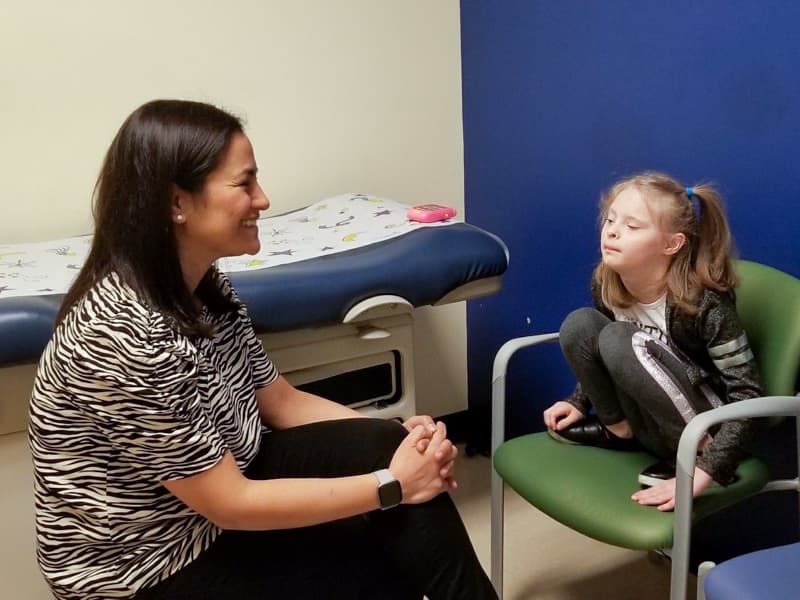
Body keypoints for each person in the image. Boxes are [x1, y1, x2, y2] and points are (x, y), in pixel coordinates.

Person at [28, 99, 497, 600]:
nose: (263, 199)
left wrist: (400, 438)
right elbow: (231, 504)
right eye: (244, 183)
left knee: (390, 453)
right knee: (376, 560)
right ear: (175, 203)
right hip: (146, 566)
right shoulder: (123, 337)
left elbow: (281, 401)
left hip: (218, 493)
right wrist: (393, 483)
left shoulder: (205, 288)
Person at [542, 172, 762, 512]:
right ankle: (618, 431)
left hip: (707, 431)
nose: (612, 231)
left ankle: (695, 452)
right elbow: (603, 352)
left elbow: (748, 394)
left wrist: (709, 468)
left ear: (671, 244)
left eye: (632, 227)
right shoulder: (607, 284)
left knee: (618, 337)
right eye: (611, 220)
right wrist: (579, 401)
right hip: (648, 420)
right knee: (579, 324)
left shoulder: (705, 304)